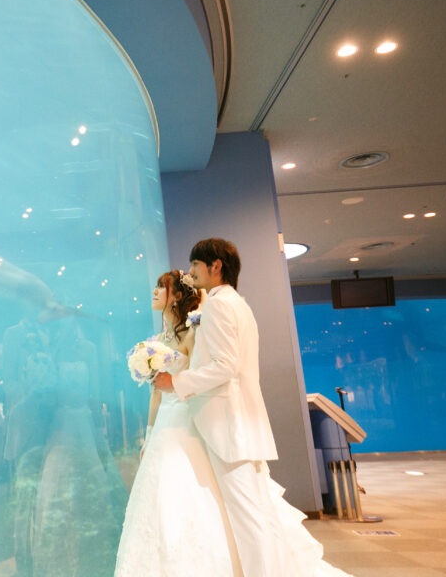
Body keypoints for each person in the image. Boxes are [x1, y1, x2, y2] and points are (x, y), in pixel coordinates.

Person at [152, 239, 350, 577]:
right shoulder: (236, 304)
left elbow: (225, 366)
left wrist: (177, 382)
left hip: (229, 428)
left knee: (249, 520)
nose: (191, 272)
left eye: (195, 265)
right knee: (259, 516)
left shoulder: (219, 305)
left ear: (215, 266)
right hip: (240, 425)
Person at [115, 270, 242, 576]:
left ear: (177, 295)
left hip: (186, 423)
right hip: (162, 429)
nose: (155, 291)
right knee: (155, 497)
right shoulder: (157, 341)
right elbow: (155, 395)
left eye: (163, 286)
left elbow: (199, 379)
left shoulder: (193, 336)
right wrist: (147, 433)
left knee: (185, 492)